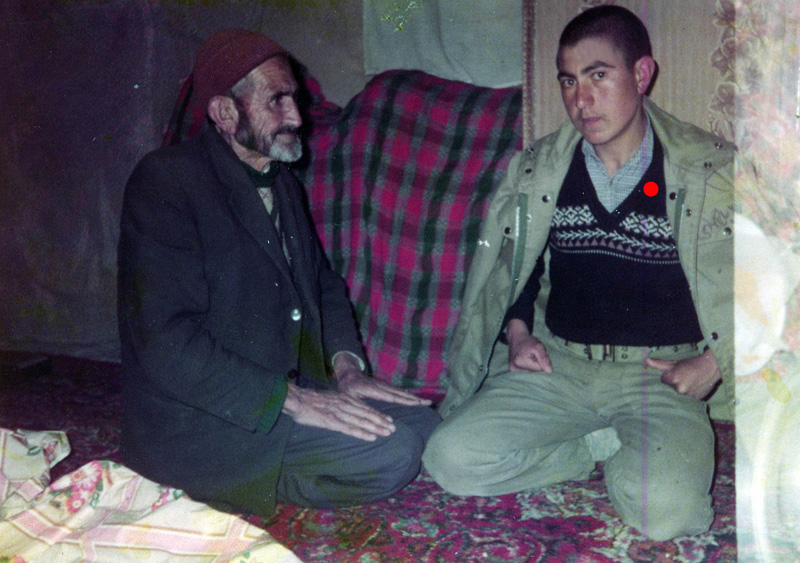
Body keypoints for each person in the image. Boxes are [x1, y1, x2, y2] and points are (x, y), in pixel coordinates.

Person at [422, 5, 733, 541]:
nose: (580, 100)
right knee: (449, 458)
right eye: (568, 81)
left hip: (657, 376)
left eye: (598, 75)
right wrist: (519, 332)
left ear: (641, 74)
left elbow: (772, 278)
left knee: (669, 515)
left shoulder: (707, 170)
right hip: (561, 365)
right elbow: (515, 267)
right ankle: (590, 448)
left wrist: (714, 362)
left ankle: (637, 458)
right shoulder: (541, 168)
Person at [117, 29, 440, 516]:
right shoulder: (165, 182)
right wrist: (297, 402)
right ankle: (233, 480)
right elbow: (166, 342)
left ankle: (286, 454)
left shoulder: (282, 181)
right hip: (208, 419)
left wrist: (347, 371)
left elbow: (322, 285)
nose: (297, 117)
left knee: (427, 428)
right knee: (394, 456)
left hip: (286, 395)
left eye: (294, 99)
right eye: (277, 101)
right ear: (225, 113)